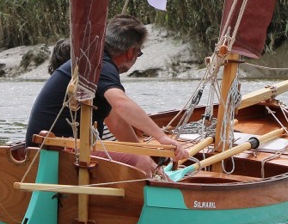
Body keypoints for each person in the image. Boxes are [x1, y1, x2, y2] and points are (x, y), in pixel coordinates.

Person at [24, 15, 189, 176]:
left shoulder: (95, 60)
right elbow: (121, 104)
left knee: (142, 159)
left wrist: (142, 152)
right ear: (131, 52)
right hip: (54, 154)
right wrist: (161, 137)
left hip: (54, 151)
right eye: (139, 54)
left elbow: (116, 121)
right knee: (139, 162)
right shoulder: (100, 65)